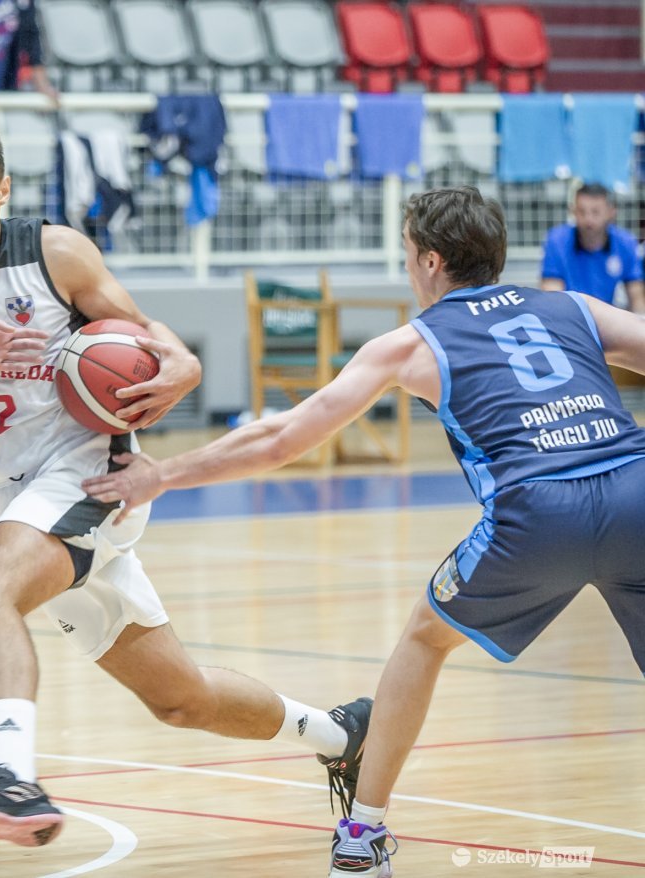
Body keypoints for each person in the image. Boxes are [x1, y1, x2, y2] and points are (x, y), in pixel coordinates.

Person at [84, 186, 645, 877]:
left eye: (408, 254)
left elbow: (282, 438)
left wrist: (161, 474)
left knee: (425, 637)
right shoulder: (575, 308)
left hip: (539, 512)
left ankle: (364, 834)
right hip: (635, 489)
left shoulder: (414, 343)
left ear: (431, 261)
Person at [0, 111, 372, 849]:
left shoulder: (53, 253)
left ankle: (14, 782)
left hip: (92, 474)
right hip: (17, 494)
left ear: (3, 190)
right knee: (179, 699)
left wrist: (185, 362)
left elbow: (144, 332)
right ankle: (341, 734)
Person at [540, 182, 645, 313]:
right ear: (573, 211)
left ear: (611, 212)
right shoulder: (557, 240)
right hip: (568, 317)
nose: (588, 219)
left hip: (607, 318)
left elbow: (637, 299)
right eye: (582, 212)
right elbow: (552, 299)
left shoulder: (626, 242)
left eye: (595, 212)